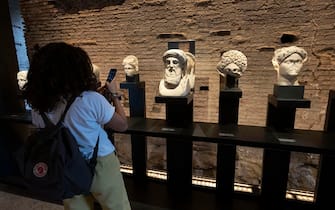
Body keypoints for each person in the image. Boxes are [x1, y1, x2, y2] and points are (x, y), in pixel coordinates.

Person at [23, 42, 131, 210]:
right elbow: (122, 125)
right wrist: (115, 95)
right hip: (100, 163)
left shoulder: (38, 107)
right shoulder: (90, 99)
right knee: (116, 207)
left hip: (63, 163)